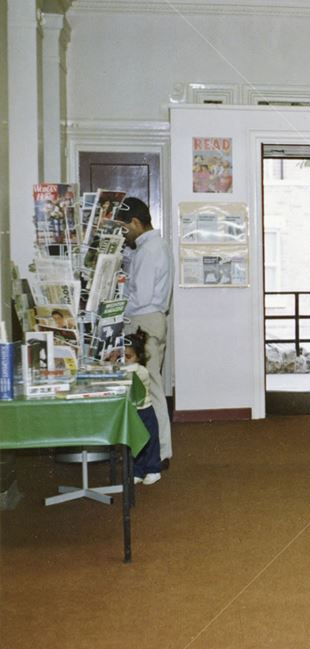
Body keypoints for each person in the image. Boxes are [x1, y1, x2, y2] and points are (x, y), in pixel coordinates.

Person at [116, 197, 174, 465]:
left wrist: (117, 307)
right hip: (144, 319)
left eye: (125, 228)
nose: (124, 234)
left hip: (145, 320)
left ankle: (161, 451)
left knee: (151, 387)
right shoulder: (145, 247)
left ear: (136, 222)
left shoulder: (151, 250)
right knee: (147, 386)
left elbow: (142, 296)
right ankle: (154, 449)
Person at [122, 329, 162, 486]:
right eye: (121, 356)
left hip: (145, 411)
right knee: (135, 443)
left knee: (150, 441)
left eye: (128, 357)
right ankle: (138, 470)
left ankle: (153, 469)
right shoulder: (127, 369)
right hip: (133, 412)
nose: (124, 361)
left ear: (138, 357)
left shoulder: (141, 371)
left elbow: (130, 375)